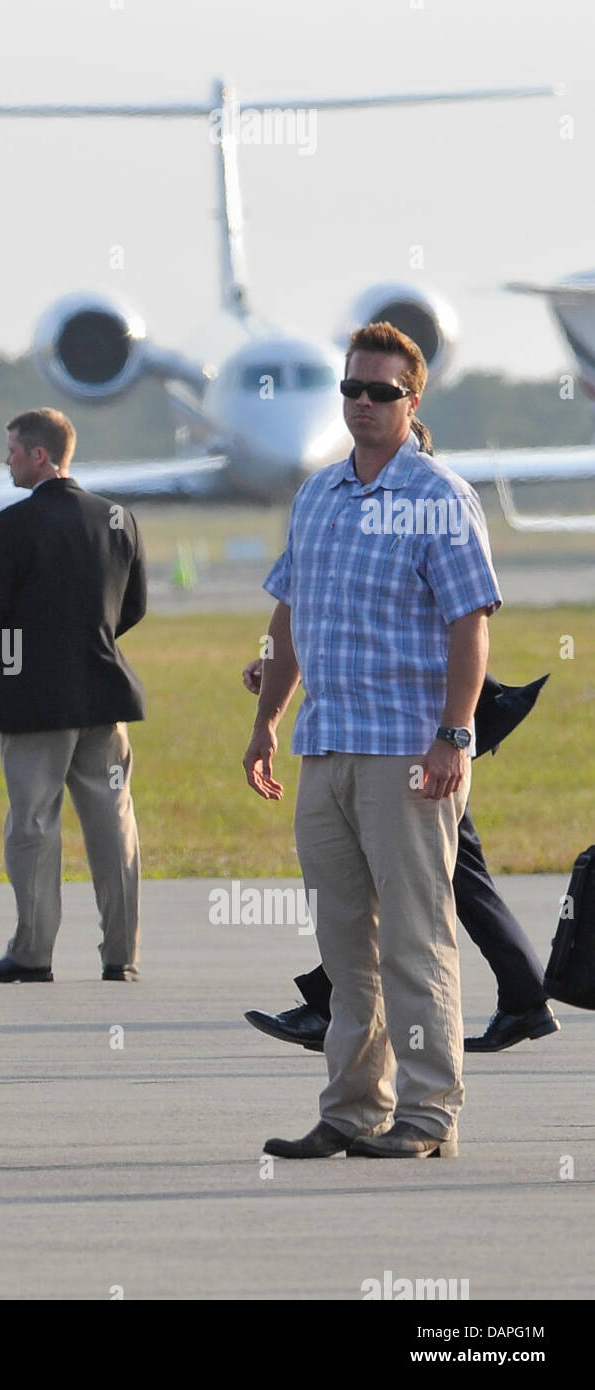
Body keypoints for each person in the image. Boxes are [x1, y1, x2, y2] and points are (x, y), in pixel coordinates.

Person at [243, 322, 501, 1159]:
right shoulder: (318, 494)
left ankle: (429, 1117)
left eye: (381, 392)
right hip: (329, 747)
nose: (362, 403)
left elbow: (471, 624)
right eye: (352, 389)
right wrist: (267, 721)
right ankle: (354, 1109)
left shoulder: (439, 495)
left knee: (416, 938)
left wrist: (454, 735)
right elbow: (289, 614)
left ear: (412, 400)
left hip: (408, 750)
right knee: (343, 941)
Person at [239, 663, 557, 1053]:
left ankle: (333, 1006)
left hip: (413, 742)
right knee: (457, 875)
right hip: (412, 739)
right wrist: (295, 663)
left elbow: (395, 640)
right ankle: (524, 995)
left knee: (405, 878)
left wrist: (298, 664)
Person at [0, 408, 146, 983]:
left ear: (40, 455)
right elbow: (132, 607)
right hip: (103, 694)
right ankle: (121, 955)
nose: (8, 459)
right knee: (113, 824)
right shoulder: (118, 518)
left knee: (34, 825)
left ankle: (32, 951)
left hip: (34, 703)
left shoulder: (11, 525)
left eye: (13, 449)